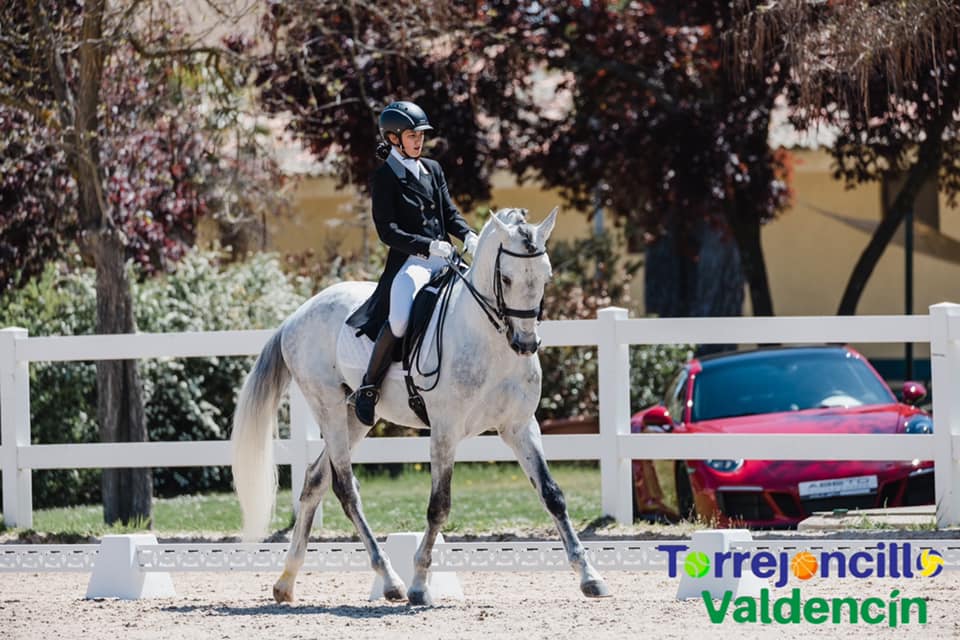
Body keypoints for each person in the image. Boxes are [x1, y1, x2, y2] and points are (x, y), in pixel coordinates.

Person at [346, 101, 479, 426]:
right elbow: (387, 231)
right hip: (412, 262)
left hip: (445, 256)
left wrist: (469, 235)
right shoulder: (385, 177)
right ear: (394, 138)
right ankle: (368, 387)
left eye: (420, 134)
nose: (419, 140)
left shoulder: (432, 169)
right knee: (401, 317)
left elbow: (449, 212)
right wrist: (428, 245)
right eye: (411, 135)